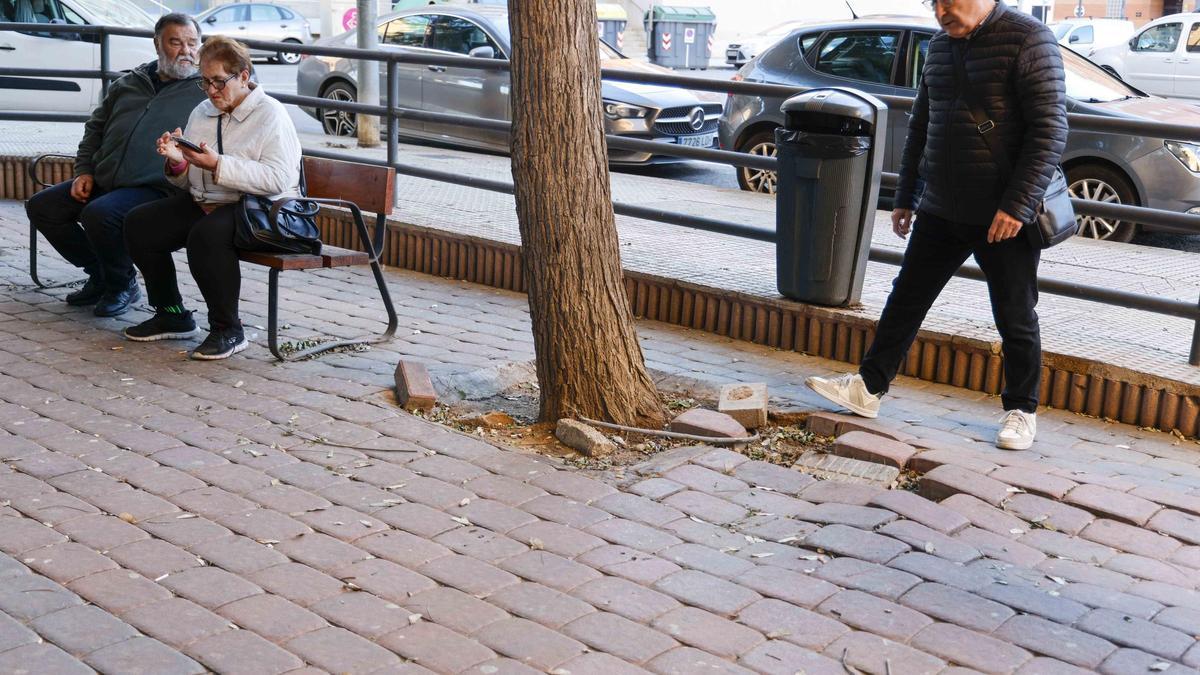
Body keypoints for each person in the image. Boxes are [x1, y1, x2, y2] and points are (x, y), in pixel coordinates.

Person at [805, 0, 1067, 451]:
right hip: (942, 205)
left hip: (1001, 213)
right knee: (906, 298)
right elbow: (922, 124)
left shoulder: (1029, 38)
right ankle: (869, 387)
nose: (941, 10)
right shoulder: (942, 46)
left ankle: (1021, 410)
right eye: (934, 3)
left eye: (950, 0)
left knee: (1015, 313)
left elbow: (1050, 130)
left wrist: (1017, 206)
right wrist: (906, 195)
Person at [122, 36, 303, 360]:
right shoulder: (202, 111)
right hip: (211, 202)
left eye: (219, 81)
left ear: (244, 76)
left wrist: (218, 164)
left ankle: (228, 330)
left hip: (266, 210)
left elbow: (279, 179)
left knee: (206, 235)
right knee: (140, 223)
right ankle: (171, 313)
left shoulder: (271, 115)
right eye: (205, 82)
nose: (211, 91)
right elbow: (190, 180)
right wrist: (178, 161)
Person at [24, 14, 205, 317]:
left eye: (192, 43)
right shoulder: (128, 83)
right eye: (176, 42)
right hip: (106, 179)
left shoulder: (204, 91)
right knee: (43, 207)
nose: (186, 50)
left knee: (101, 214)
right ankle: (101, 274)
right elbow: (95, 129)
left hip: (157, 187)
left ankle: (121, 285)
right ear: (157, 44)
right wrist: (84, 170)